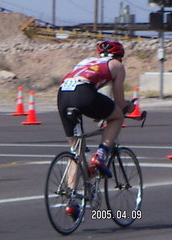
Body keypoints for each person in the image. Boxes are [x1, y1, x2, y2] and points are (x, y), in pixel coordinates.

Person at [57, 40, 135, 219]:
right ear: (120, 56)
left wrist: (99, 112)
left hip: (63, 95)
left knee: (77, 151)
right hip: (84, 93)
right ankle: (100, 155)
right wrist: (129, 107)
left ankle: (71, 201)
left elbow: (98, 95)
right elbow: (119, 101)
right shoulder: (116, 66)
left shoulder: (87, 61)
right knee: (117, 116)